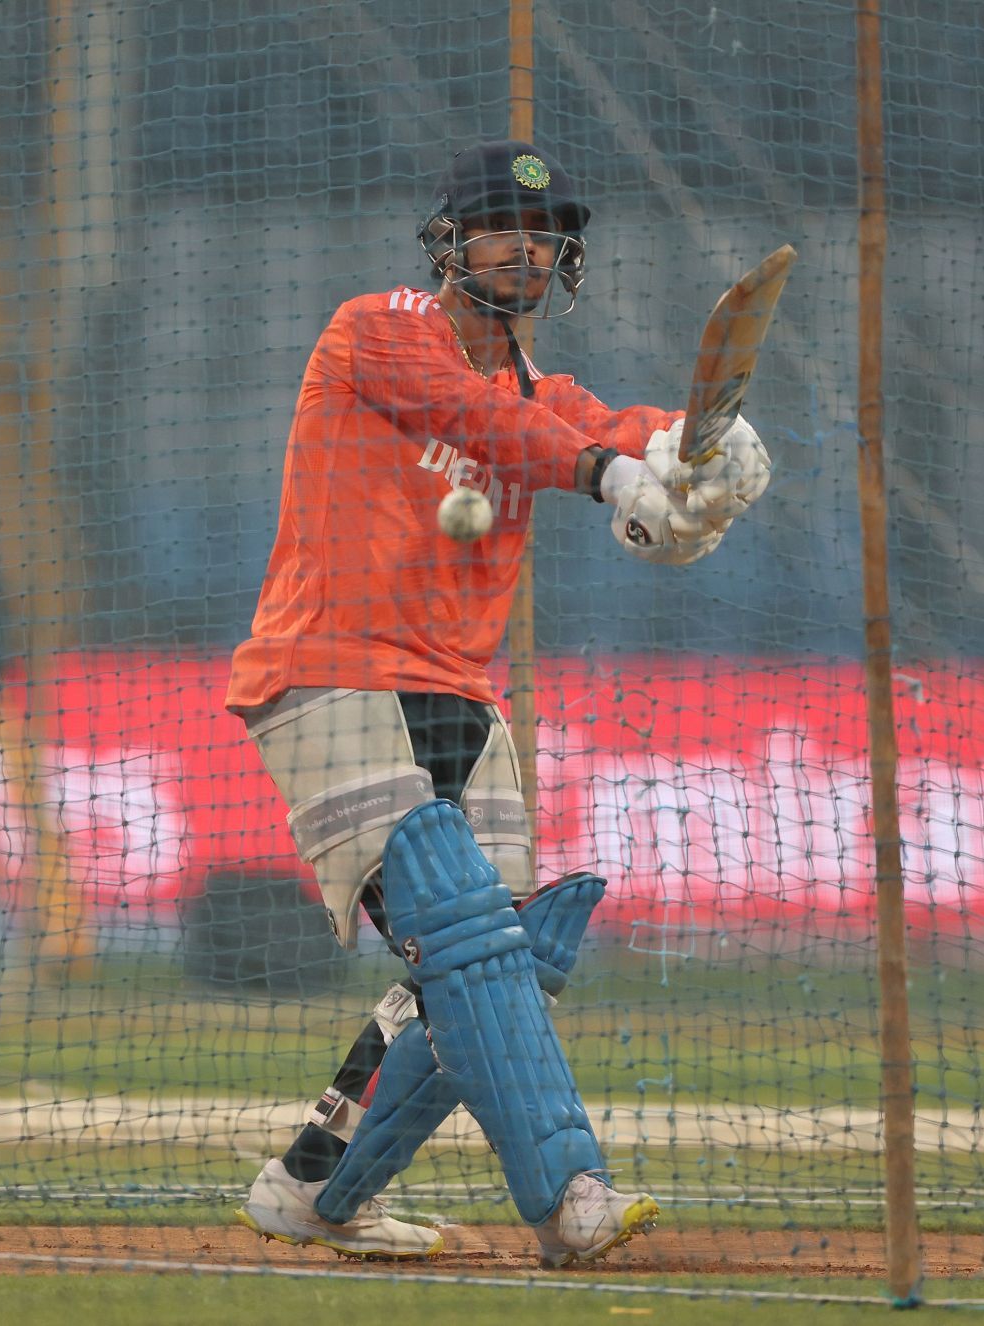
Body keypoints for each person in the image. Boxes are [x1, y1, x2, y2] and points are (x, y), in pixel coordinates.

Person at [224, 141, 771, 1266]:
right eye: (498, 227)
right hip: (332, 672)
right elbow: (494, 426)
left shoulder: (544, 394)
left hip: (464, 698)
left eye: (544, 233)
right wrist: (613, 478)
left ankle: (316, 1187)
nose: (523, 249)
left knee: (508, 955)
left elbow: (599, 428)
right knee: (465, 937)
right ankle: (570, 1194)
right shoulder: (373, 328)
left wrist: (694, 461)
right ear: (448, 243)